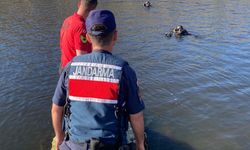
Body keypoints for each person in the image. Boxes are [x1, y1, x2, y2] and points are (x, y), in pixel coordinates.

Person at [52, 10, 145, 150]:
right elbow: (136, 115)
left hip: (74, 145)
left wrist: (59, 137)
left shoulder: (71, 67)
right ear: (115, 36)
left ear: (88, 38)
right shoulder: (124, 71)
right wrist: (140, 145)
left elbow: (56, 108)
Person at [59, 0, 98, 71]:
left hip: (64, 67)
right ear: (93, 10)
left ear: (79, 4)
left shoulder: (67, 20)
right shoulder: (81, 26)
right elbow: (81, 58)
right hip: (73, 71)